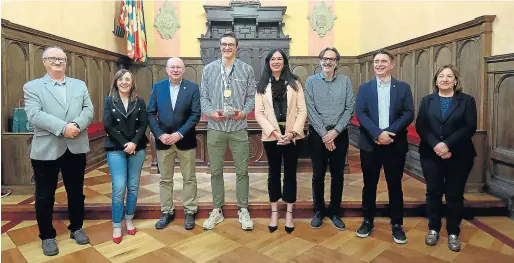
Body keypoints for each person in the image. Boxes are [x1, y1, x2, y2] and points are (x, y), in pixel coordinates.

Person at [24, 46, 93, 256]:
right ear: (44, 62)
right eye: (52, 58)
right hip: (47, 148)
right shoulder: (32, 86)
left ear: (66, 62)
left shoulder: (79, 85)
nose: (57, 62)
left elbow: (88, 109)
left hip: (76, 145)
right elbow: (34, 115)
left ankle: (77, 227)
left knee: (76, 191)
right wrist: (63, 128)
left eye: (61, 59)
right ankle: (47, 236)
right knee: (44, 195)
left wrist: (76, 126)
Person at [355, 49, 414, 244]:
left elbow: (408, 113)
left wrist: (388, 133)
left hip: (394, 144)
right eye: (376, 61)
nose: (379, 64)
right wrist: (377, 133)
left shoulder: (403, 88)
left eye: (383, 61)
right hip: (370, 144)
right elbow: (361, 114)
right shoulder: (364, 88)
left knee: (395, 186)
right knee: (369, 185)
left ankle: (397, 224)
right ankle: (367, 220)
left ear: (392, 65)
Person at [416, 64, 477, 252]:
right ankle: (433, 229)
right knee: (433, 192)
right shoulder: (427, 100)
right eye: (441, 76)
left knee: (454, 194)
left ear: (455, 80)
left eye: (449, 76)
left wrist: (447, 145)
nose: (444, 79)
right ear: (436, 80)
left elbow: (469, 127)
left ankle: (453, 232)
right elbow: (421, 126)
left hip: (459, 155)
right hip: (430, 153)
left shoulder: (467, 101)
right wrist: (437, 145)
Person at [200, 31, 256, 231]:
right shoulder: (208, 70)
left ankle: (243, 209)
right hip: (215, 127)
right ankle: (217, 209)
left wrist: (245, 113)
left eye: (231, 44)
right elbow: (203, 98)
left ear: (236, 47)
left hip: (238, 128)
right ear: (219, 46)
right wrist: (210, 113)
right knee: (215, 170)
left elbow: (251, 97)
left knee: (242, 171)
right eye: (224, 44)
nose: (227, 47)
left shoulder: (247, 70)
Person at [254, 49, 307, 234]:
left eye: (280, 59)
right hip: (272, 136)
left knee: (291, 173)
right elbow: (258, 113)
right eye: (273, 59)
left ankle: (290, 213)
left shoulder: (295, 82)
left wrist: (292, 133)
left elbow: (302, 111)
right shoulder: (261, 84)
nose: (276, 62)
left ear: (284, 61)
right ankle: (275, 212)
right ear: (268, 62)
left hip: (292, 135)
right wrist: (275, 134)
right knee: (273, 173)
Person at [304, 47, 355, 230]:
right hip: (318, 136)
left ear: (337, 63)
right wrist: (325, 135)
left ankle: (334, 212)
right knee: (318, 175)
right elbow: (310, 109)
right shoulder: (310, 82)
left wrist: (335, 132)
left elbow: (350, 108)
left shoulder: (346, 81)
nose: (328, 62)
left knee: (338, 176)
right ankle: (318, 211)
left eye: (332, 59)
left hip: (339, 135)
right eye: (325, 59)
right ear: (320, 61)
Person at [148, 57, 201, 230]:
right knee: (165, 179)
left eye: (179, 67)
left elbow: (195, 115)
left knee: (189, 178)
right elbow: (150, 113)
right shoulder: (158, 87)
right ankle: (166, 212)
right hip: (163, 141)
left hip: (185, 140)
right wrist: (159, 134)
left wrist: (179, 134)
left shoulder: (192, 88)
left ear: (184, 69)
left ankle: (190, 211)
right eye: (172, 67)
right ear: (167, 69)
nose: (175, 70)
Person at [103, 69, 149, 243]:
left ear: (132, 83)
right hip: (116, 148)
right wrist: (125, 144)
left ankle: (129, 219)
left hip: (137, 147)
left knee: (134, 186)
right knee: (119, 188)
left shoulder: (139, 101)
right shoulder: (110, 101)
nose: (124, 82)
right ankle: (116, 225)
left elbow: (144, 124)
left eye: (127, 79)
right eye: (121, 79)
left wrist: (134, 143)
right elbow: (108, 126)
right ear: (116, 82)